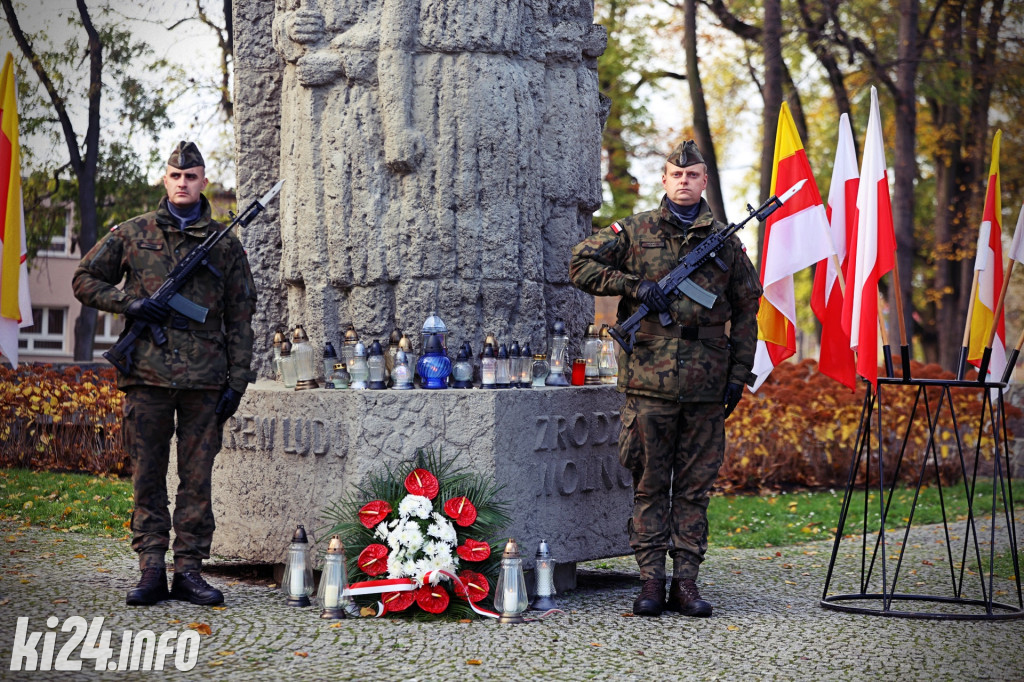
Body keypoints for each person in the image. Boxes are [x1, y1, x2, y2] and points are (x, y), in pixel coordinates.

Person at [569, 140, 762, 617]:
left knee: (694, 489)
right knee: (650, 485)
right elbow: (580, 264)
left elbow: (747, 311)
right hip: (649, 385)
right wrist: (635, 287)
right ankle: (652, 581)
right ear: (664, 180)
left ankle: (687, 583)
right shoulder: (634, 232)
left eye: (693, 175)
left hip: (705, 385)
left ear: (703, 181)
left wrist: (738, 375)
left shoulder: (726, 242)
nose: (684, 182)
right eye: (676, 175)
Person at [73, 141, 257, 606]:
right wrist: (131, 303)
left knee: (197, 479)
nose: (183, 183)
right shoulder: (133, 234)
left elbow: (240, 316)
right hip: (147, 376)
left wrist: (238, 380)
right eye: (175, 176)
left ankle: (190, 571)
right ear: (164, 179)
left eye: (191, 176)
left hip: (205, 381)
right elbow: (84, 280)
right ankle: (151, 567)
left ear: (204, 182)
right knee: (147, 475)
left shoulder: (226, 244)